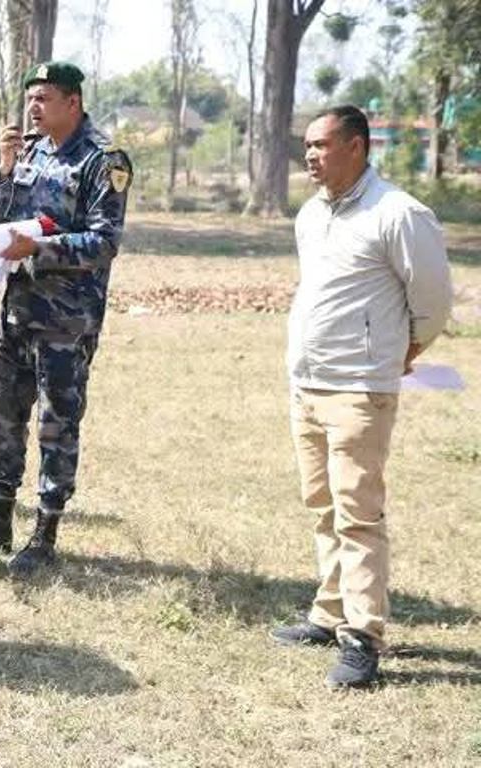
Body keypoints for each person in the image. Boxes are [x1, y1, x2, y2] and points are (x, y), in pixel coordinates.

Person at [271, 105, 453, 689]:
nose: (311, 156)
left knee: (358, 514)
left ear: (357, 146)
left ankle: (363, 635)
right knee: (322, 506)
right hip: (308, 383)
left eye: (323, 145)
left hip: (359, 390)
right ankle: (329, 612)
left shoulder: (399, 213)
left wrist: (405, 351)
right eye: (307, 146)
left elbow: (434, 302)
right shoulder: (311, 214)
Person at [0, 62, 133, 577]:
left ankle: (45, 532)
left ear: (73, 102)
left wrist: (41, 247)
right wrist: (3, 169)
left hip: (67, 320)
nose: (33, 108)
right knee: (2, 414)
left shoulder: (102, 159)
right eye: (31, 99)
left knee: (56, 424)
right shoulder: (31, 150)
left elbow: (105, 241)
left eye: (44, 98)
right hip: (18, 311)